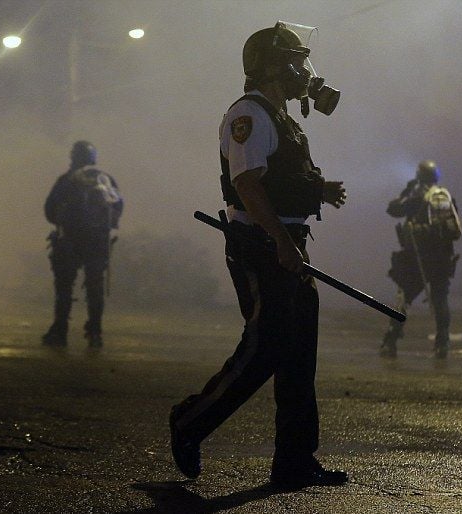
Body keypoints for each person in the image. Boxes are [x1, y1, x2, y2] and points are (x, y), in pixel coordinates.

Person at [169, 22, 348, 490]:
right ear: (269, 66)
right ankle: (190, 422)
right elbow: (247, 185)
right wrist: (282, 244)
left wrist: (317, 191)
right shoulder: (248, 115)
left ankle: (295, 460)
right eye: (293, 60)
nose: (301, 70)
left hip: (287, 244)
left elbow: (276, 181)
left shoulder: (280, 115)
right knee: (264, 347)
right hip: (262, 245)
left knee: (298, 355)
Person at [42, 141, 123, 347]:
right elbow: (118, 206)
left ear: (74, 157)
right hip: (98, 242)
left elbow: (49, 210)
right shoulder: (105, 178)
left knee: (64, 287)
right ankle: (95, 333)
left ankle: (60, 331)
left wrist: (66, 225)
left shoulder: (67, 179)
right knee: (95, 287)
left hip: (69, 240)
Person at [380, 160, 462, 359]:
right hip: (442, 259)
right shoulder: (445, 195)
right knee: (440, 300)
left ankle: (391, 341)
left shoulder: (416, 196)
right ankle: (442, 344)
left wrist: (406, 191)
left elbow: (393, 209)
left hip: (418, 259)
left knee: (403, 299)